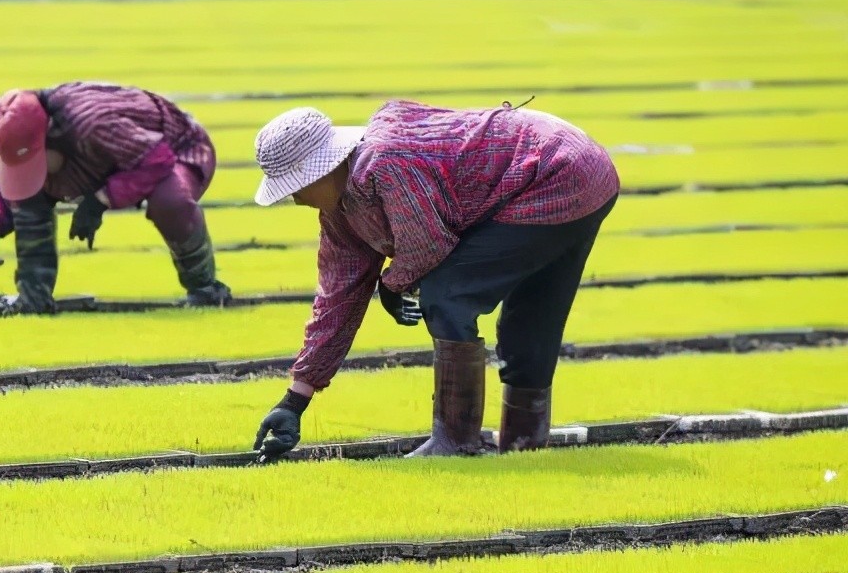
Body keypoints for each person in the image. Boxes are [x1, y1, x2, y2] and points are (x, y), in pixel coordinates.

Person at [250, 100, 619, 461]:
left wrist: (393, 284)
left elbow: (427, 247)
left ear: (323, 168)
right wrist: (295, 400)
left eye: (295, 185)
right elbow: (337, 299)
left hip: (556, 170)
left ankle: (456, 442)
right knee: (533, 310)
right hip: (584, 172)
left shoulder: (385, 164)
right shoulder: (340, 213)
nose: (294, 197)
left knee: (447, 296)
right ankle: (524, 448)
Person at [0, 83, 233, 310]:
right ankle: (34, 297)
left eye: (34, 160)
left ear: (50, 136)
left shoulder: (94, 124)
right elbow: (7, 184)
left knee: (169, 200)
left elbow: (158, 160)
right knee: (29, 199)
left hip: (173, 149)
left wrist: (99, 201)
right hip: (97, 160)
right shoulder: (17, 132)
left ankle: (205, 288)